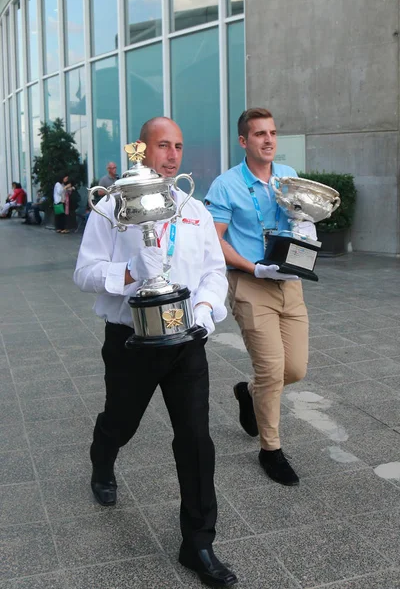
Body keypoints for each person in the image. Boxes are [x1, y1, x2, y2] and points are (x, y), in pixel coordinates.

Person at [73, 117, 238, 588]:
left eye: (179, 146)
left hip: (187, 339)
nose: (172, 154)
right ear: (141, 151)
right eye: (162, 145)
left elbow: (213, 271)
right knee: (121, 422)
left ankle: (198, 543)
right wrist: (129, 272)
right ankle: (103, 457)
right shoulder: (110, 206)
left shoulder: (193, 207)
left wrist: (207, 311)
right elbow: (84, 273)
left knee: (195, 439)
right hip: (130, 339)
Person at [205, 107, 317, 487]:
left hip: (290, 282)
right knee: (271, 370)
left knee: (295, 369)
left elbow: (301, 223)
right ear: (243, 141)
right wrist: (254, 268)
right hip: (251, 282)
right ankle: (271, 450)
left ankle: (248, 393)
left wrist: (306, 229)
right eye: (259, 134)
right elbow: (214, 240)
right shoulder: (226, 185)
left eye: (272, 133)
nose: (268, 140)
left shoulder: (288, 177)